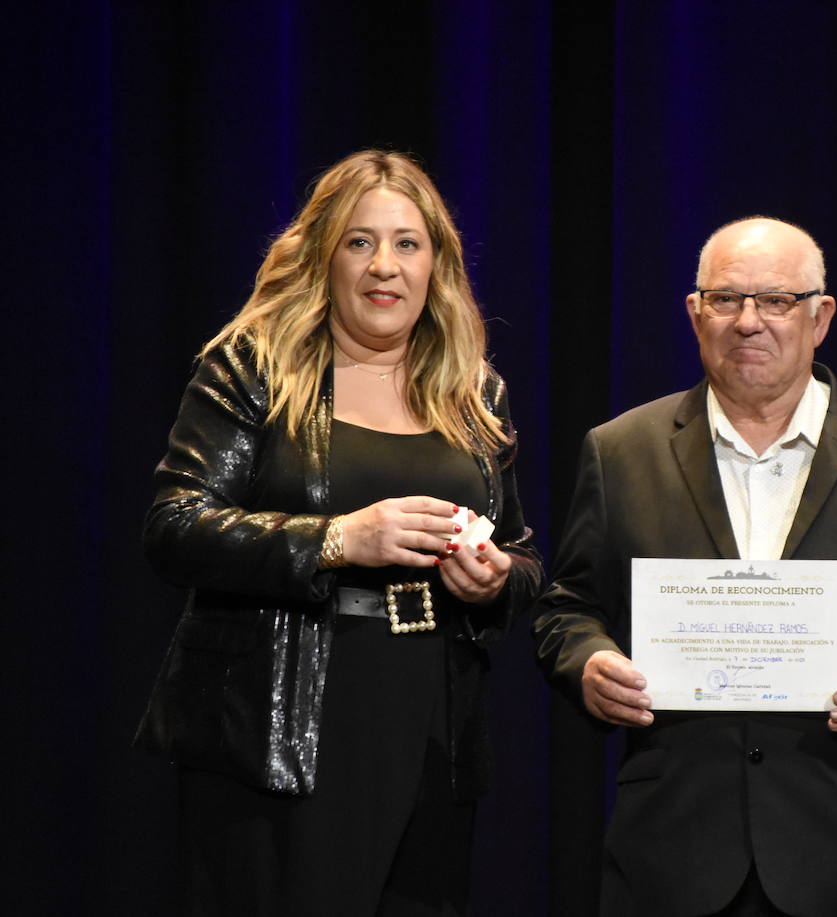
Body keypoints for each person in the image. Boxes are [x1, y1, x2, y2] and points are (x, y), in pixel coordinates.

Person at [532, 217, 837, 916]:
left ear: (819, 316)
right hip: (672, 850)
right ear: (694, 313)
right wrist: (588, 663)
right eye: (725, 299)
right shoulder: (620, 452)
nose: (749, 322)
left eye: (775, 301)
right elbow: (566, 607)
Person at [135, 150, 542, 916]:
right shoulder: (254, 367)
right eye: (359, 241)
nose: (384, 266)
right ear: (323, 254)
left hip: (429, 725)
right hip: (282, 731)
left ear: (437, 265)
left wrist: (494, 578)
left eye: (406, 244)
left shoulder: (474, 390)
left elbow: (523, 555)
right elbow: (175, 525)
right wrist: (335, 538)